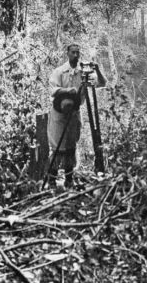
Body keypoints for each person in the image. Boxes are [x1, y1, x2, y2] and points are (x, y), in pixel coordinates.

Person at [47, 43, 106, 187]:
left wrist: (96, 70)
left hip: (74, 113)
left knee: (71, 146)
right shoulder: (60, 71)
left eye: (77, 53)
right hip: (59, 114)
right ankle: (51, 180)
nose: (75, 55)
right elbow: (53, 90)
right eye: (73, 52)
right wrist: (68, 91)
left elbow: (102, 83)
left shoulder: (83, 73)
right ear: (67, 53)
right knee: (57, 146)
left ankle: (69, 179)